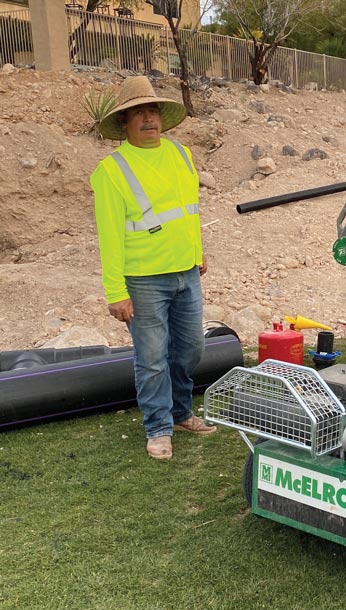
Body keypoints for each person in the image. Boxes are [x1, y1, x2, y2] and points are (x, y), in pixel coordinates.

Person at [91, 76, 216, 460]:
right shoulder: (111, 171)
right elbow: (109, 237)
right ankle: (159, 426)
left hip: (186, 272)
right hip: (144, 281)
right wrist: (116, 292)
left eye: (153, 111)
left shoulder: (180, 155)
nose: (149, 119)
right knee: (151, 357)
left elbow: (188, 210)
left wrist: (198, 250)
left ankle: (181, 413)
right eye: (139, 113)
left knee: (190, 350)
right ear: (125, 123)